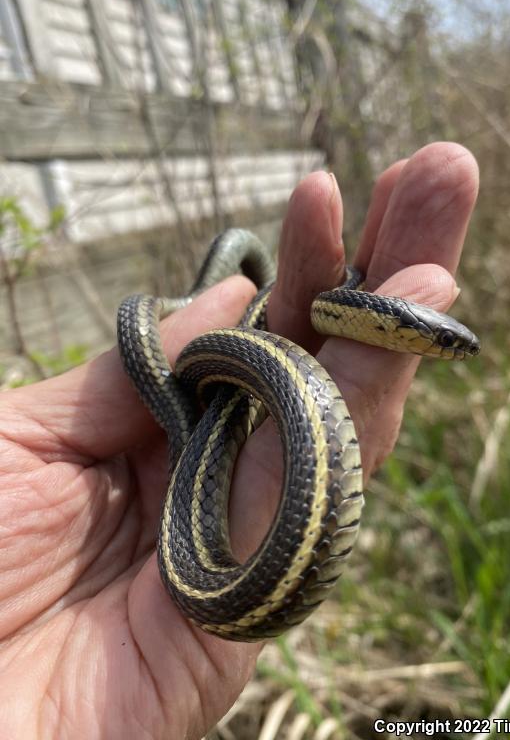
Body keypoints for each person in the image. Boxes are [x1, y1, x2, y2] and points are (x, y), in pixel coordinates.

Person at [0, 142, 479, 738]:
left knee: (251, 372)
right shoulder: (305, 332)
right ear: (397, 322)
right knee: (211, 358)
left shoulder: (340, 312)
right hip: (233, 403)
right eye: (448, 344)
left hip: (249, 410)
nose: (452, 352)